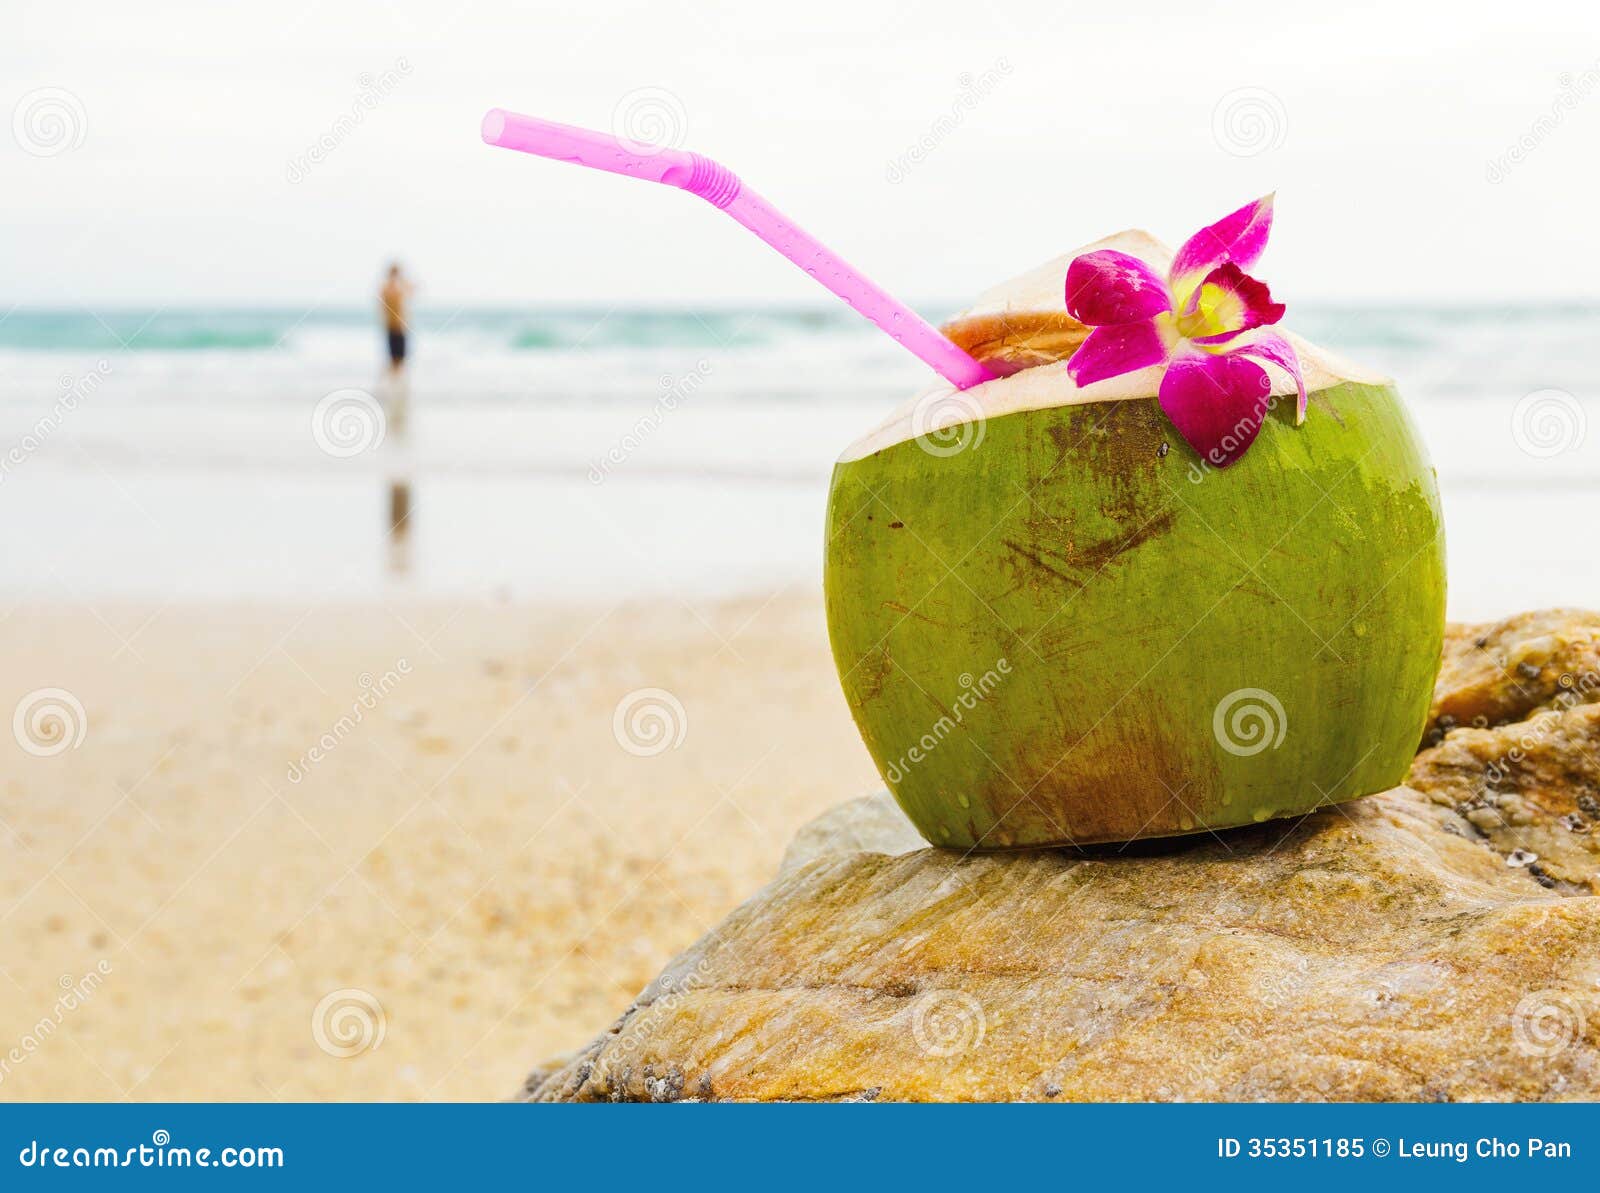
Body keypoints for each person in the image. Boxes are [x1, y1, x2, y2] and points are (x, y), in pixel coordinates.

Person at [379, 262, 414, 375]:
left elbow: (412, 290)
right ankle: (393, 384)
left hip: (399, 327)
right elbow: (384, 307)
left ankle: (396, 383)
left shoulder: (399, 288)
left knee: (401, 359)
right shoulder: (387, 288)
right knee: (394, 359)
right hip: (392, 327)